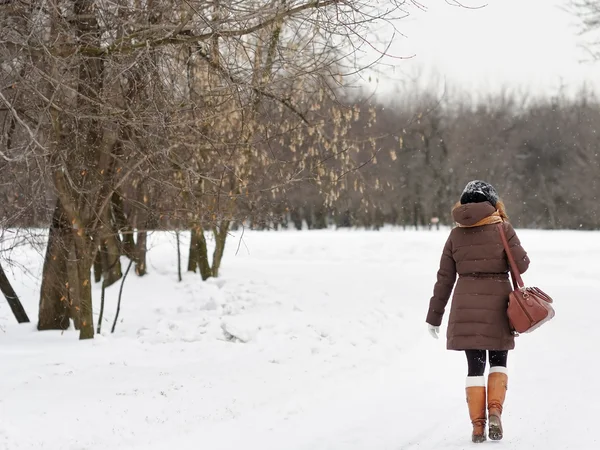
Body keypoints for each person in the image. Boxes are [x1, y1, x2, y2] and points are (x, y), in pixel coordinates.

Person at [425, 180, 530, 443]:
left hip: (465, 304)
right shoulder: (502, 229)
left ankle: (477, 426)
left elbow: (444, 279)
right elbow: (523, 265)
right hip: (498, 305)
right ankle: (495, 412)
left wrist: (434, 316)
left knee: (475, 367)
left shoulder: (455, 235)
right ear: (492, 202)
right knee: (498, 361)